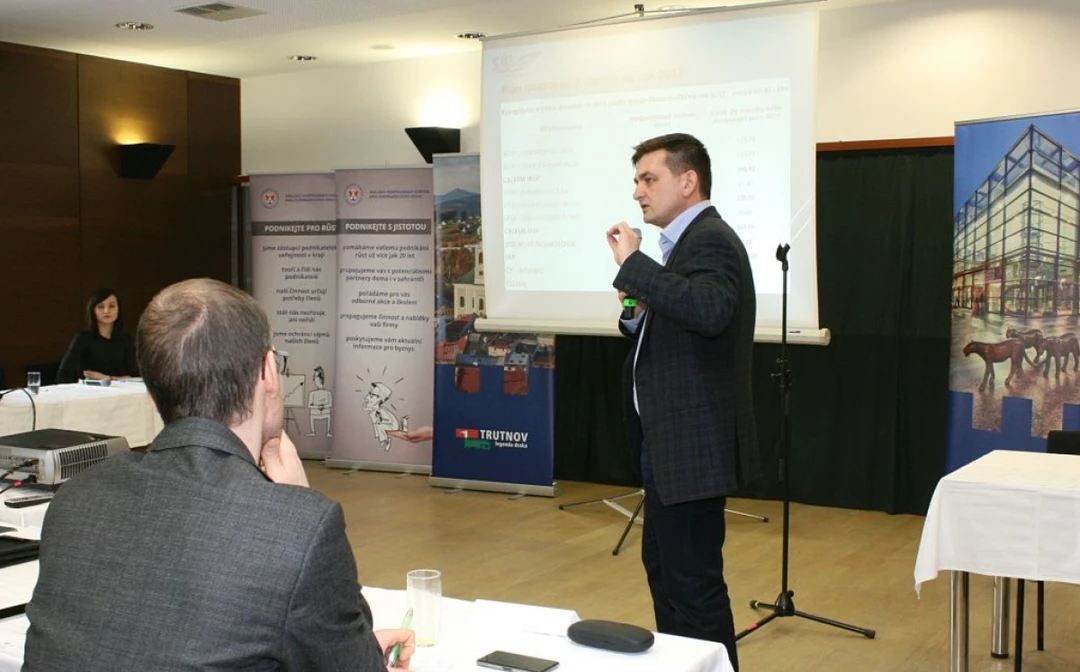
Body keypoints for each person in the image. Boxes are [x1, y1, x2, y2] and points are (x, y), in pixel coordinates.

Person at [24, 278, 414, 671]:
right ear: (269, 373)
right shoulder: (300, 527)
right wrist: (296, 495)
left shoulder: (75, 499)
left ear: (152, 394)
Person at [605, 133, 759, 671]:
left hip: (693, 448)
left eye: (650, 179)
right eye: (637, 181)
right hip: (671, 445)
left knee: (693, 588)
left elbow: (711, 311)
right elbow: (679, 324)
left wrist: (635, 264)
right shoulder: (685, 245)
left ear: (688, 181)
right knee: (667, 576)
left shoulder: (710, 239)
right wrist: (636, 312)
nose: (638, 192)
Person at [56, 287, 139, 383]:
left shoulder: (127, 340)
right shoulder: (82, 339)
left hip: (120, 390)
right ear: (93, 310)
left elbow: (136, 377)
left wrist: (108, 378)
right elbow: (63, 375)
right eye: (100, 307)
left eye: (112, 306)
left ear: (118, 310)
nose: (106, 311)